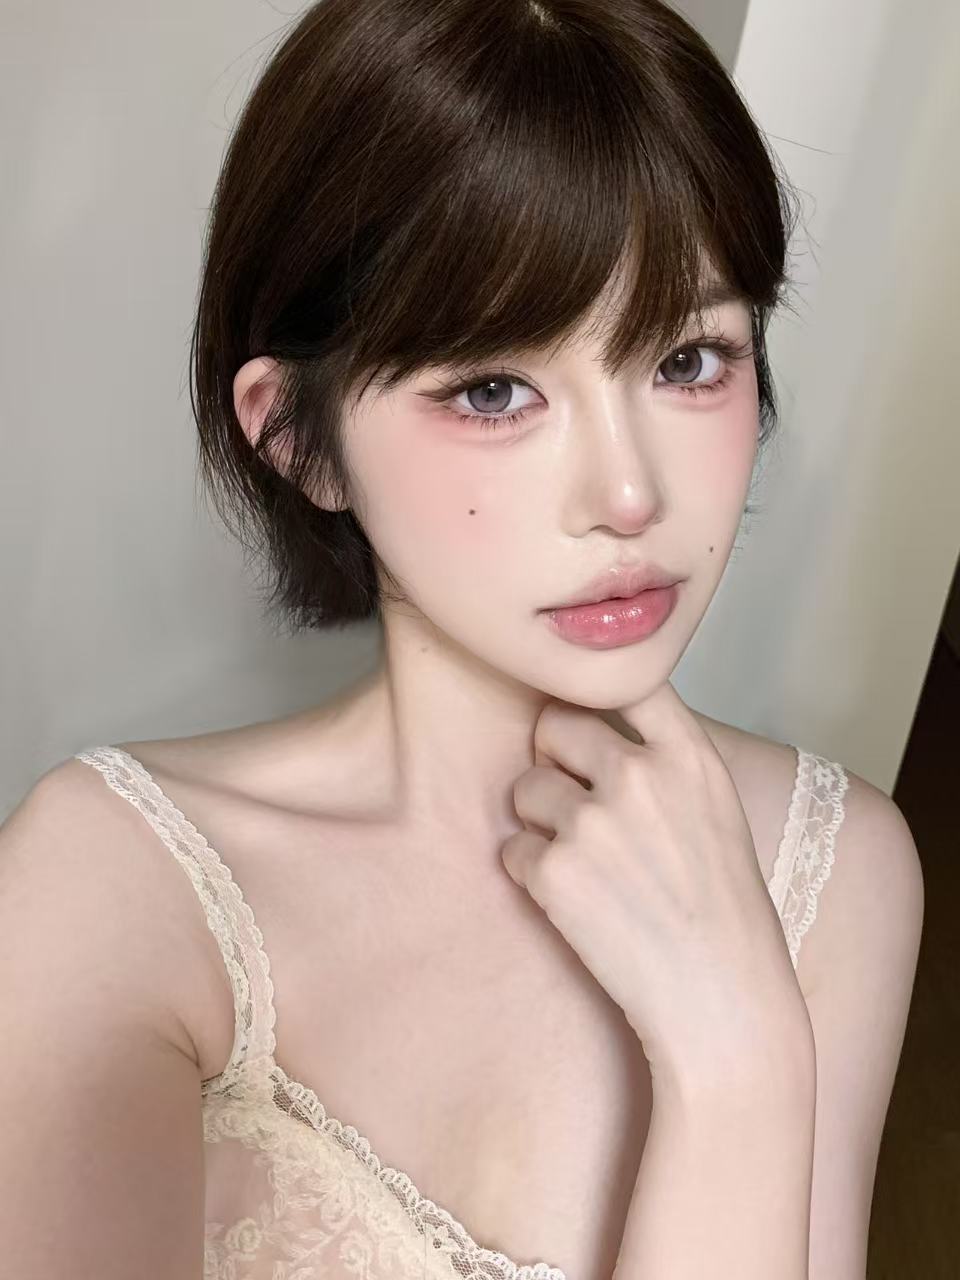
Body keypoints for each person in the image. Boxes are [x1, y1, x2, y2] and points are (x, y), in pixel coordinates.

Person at [0, 1, 924, 1278]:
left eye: (689, 360)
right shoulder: (113, 881)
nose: (631, 493)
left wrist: (739, 1058)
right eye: (495, 389)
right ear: (301, 439)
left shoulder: (838, 867)